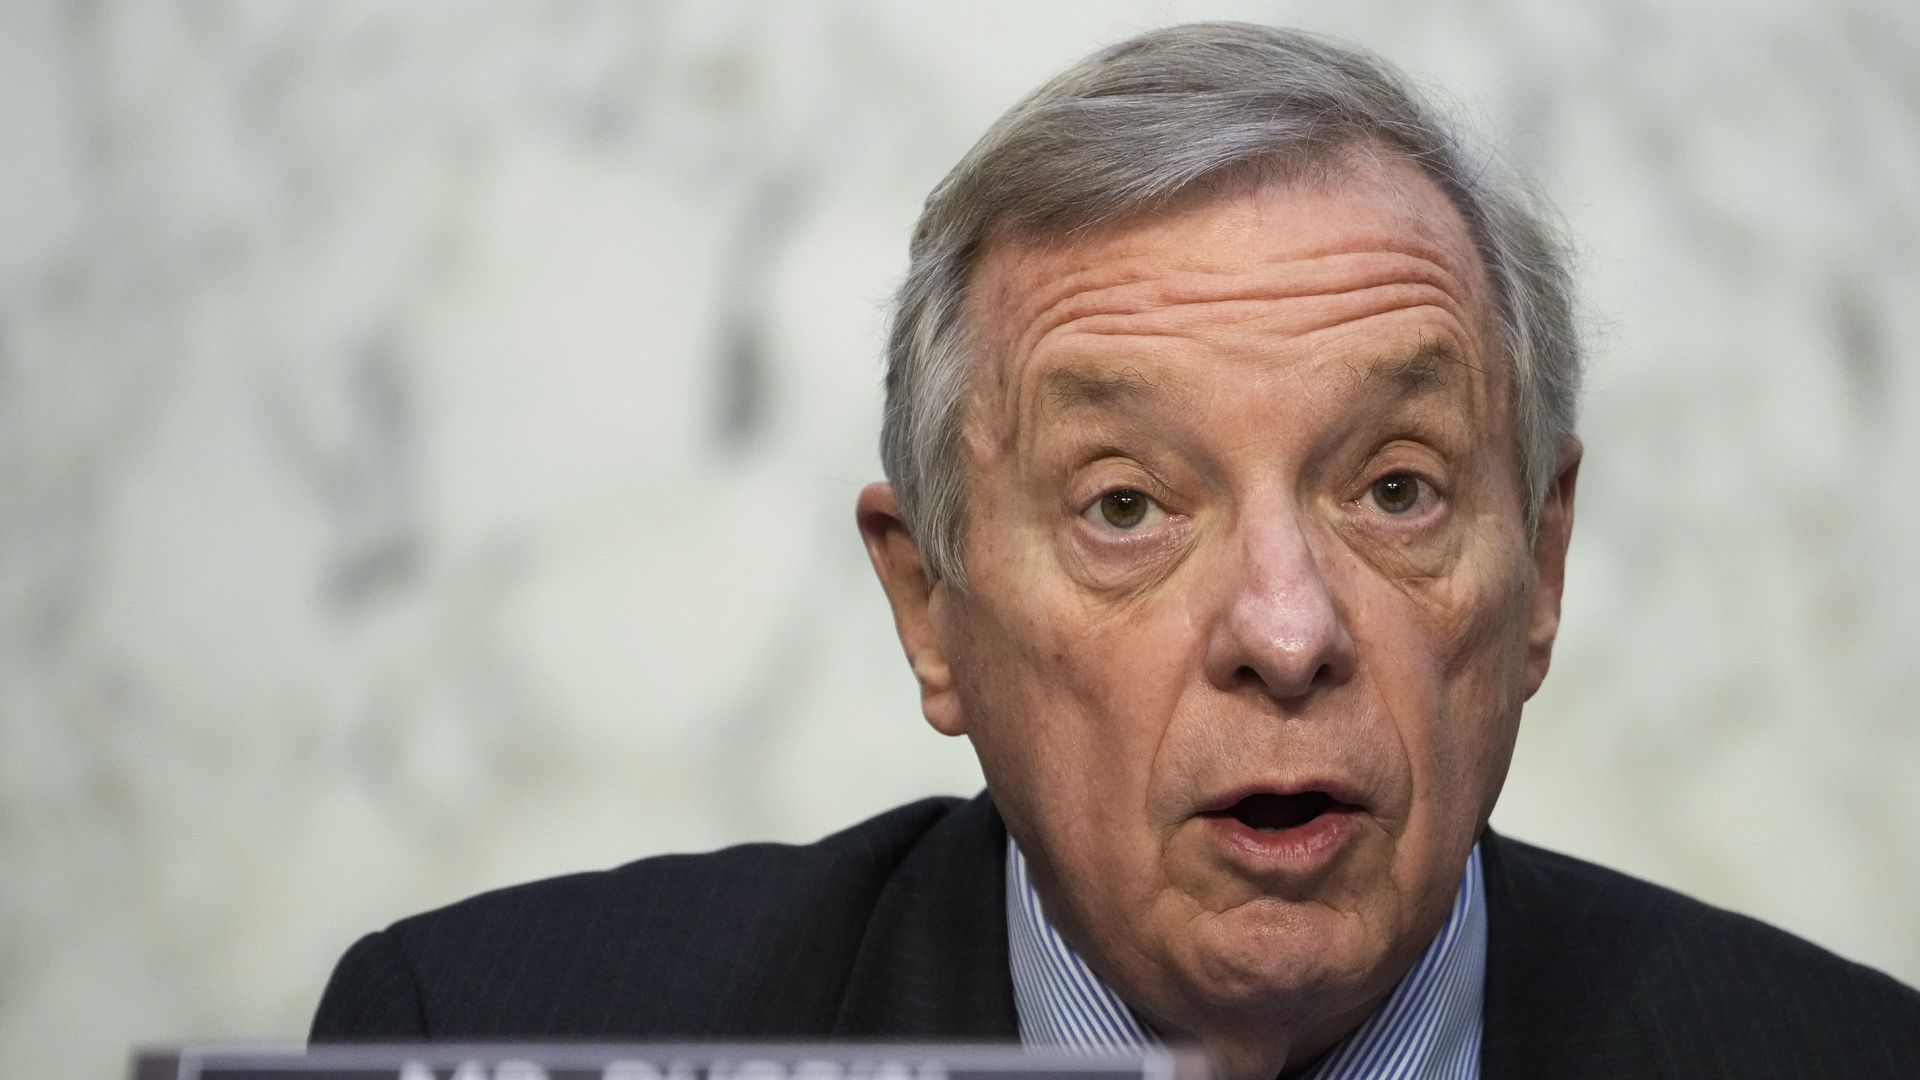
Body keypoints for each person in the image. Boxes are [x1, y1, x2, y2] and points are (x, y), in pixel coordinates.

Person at [311, 22, 1920, 1078]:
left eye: (1401, 489)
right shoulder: (490, 1034)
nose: (1288, 633)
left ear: (1543, 566)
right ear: (929, 608)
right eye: (1128, 507)